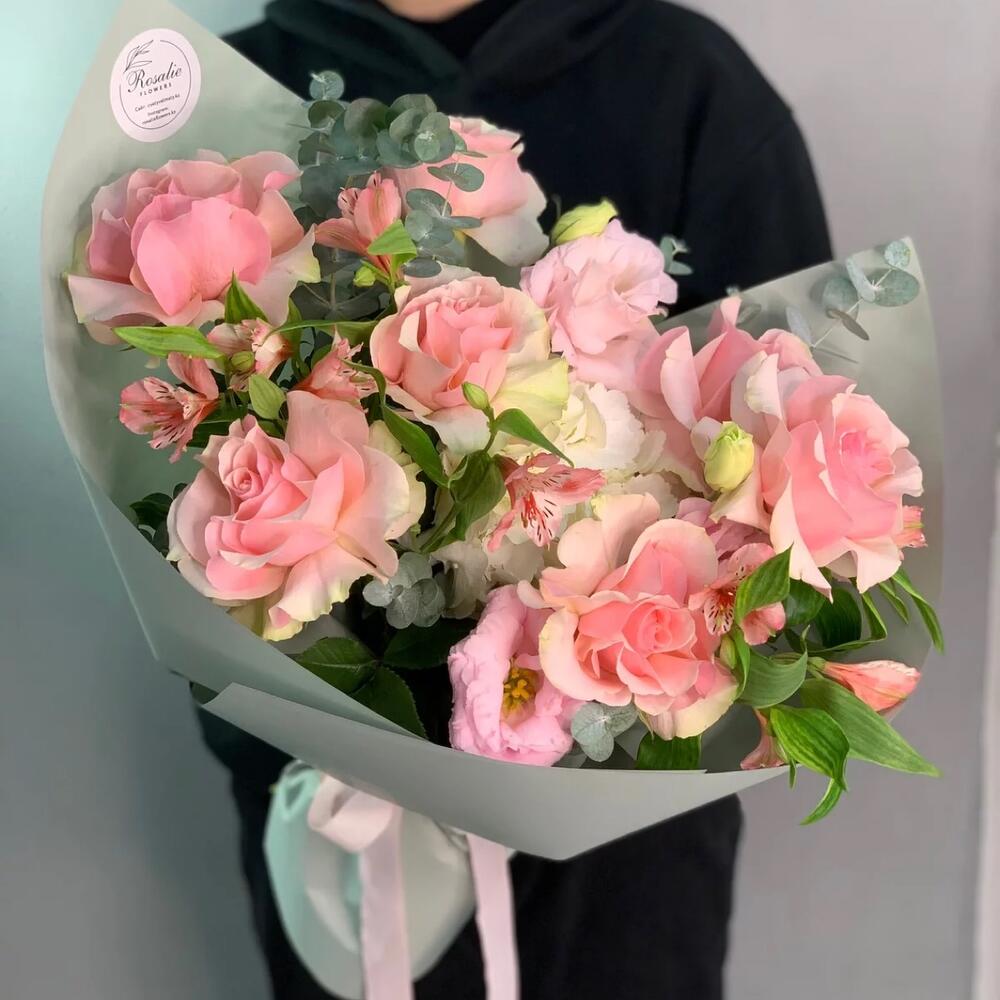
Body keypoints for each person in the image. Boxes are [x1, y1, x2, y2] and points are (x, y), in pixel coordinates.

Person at [197, 1, 832, 997]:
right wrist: (292, 725)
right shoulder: (218, 101)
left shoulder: (686, 86)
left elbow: (796, 470)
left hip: (632, 836)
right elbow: (172, 495)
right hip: (345, 819)